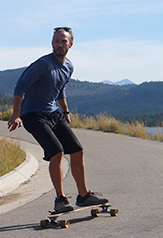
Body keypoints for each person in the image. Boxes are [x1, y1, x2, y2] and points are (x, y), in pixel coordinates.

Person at [7, 27, 108, 213]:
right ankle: (60, 199)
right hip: (32, 115)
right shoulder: (43, 65)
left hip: (54, 113)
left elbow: (60, 89)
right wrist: (16, 113)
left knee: (77, 151)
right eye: (56, 41)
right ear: (52, 43)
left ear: (70, 43)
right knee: (57, 152)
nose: (59, 45)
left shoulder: (68, 66)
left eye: (63, 41)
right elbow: (20, 87)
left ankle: (84, 195)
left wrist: (66, 111)